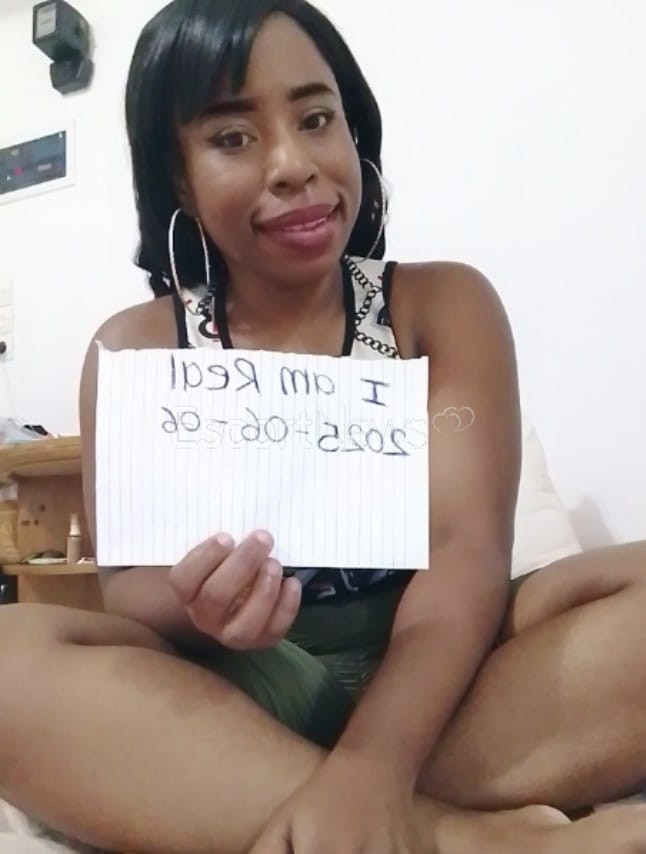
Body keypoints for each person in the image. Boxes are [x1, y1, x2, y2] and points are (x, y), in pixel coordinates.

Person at [2, 0, 646, 851]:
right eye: (233, 138)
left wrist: (371, 767)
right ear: (178, 175)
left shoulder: (442, 305)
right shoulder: (133, 348)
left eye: (315, 119)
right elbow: (129, 584)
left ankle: (285, 793)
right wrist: (204, 609)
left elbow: (466, 555)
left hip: (449, 668)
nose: (293, 165)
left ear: (354, 130)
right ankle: (484, 839)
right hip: (242, 681)